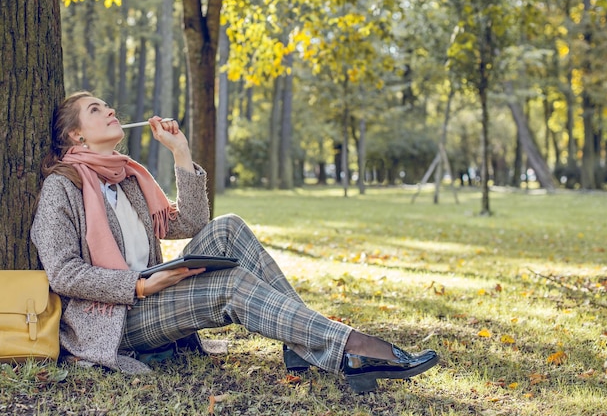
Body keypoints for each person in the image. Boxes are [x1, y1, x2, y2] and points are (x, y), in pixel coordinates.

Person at [30, 91, 439, 393]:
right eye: (95, 110)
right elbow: (63, 272)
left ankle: (302, 347)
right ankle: (350, 347)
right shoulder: (61, 188)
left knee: (228, 226)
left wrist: (180, 153)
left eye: (107, 104)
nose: (110, 110)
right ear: (76, 137)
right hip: (116, 319)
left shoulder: (128, 178)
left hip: (152, 289)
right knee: (229, 286)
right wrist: (138, 285)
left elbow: (191, 222)